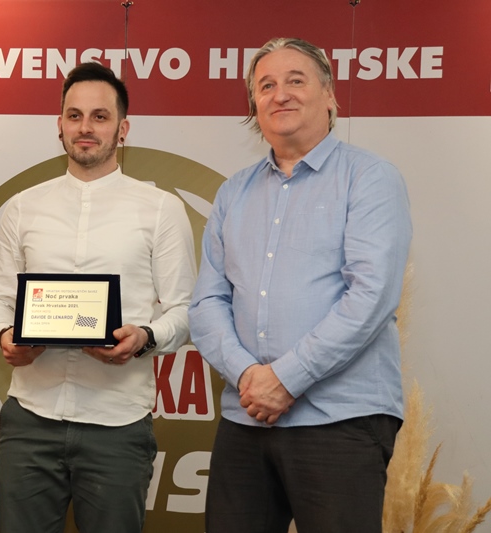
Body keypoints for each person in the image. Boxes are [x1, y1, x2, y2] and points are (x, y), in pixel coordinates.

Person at [189, 37, 412, 533]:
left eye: (296, 80)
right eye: (266, 85)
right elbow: (207, 302)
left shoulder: (370, 178)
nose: (280, 94)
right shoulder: (233, 192)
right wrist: (249, 376)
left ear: (329, 95)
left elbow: (371, 296)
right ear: (254, 105)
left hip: (341, 421)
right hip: (246, 419)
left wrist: (287, 377)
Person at [0, 62, 196, 533]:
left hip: (118, 423)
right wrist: (5, 334)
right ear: (59, 125)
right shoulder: (23, 208)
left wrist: (144, 337)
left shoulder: (161, 210)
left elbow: (184, 309)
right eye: (74, 116)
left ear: (123, 128)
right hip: (30, 420)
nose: (85, 127)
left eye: (100, 116)